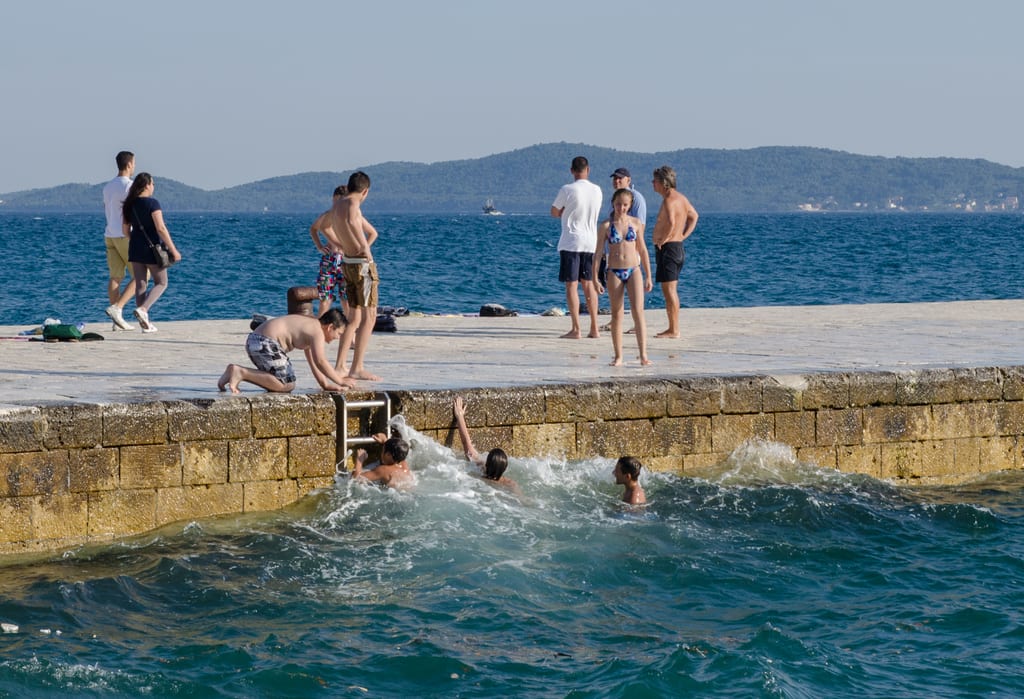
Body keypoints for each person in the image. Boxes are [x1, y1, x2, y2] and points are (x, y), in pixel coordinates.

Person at [325, 171, 381, 381]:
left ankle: (341, 365)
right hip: (361, 266)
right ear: (365, 191)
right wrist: (365, 248)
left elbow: (338, 225)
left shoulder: (337, 204)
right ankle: (356, 367)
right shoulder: (352, 205)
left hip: (348, 263)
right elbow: (352, 222)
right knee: (370, 317)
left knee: (354, 317)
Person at [217, 310, 355, 393]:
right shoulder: (317, 331)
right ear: (330, 327)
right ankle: (241, 372)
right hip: (265, 342)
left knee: (284, 383)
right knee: (286, 384)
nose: (338, 338)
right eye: (339, 333)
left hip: (256, 341)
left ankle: (232, 374)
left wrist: (325, 384)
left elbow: (313, 361)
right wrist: (340, 381)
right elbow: (321, 361)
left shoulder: (311, 326)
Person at [594, 189, 652, 366]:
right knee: (617, 314)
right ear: (613, 203)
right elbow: (598, 254)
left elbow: (642, 250)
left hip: (633, 270)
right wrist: (595, 278)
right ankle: (618, 356)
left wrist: (648, 275)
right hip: (614, 272)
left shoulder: (635, 224)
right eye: (619, 204)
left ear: (630, 205)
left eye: (625, 205)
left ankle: (643, 355)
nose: (622, 208)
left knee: (638, 312)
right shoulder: (605, 226)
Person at [121, 173, 182, 333]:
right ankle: (144, 309)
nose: (154, 187)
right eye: (153, 184)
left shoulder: (129, 204)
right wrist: (174, 250)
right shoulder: (152, 203)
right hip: (152, 248)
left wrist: (135, 240)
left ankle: (145, 323)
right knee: (162, 282)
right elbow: (160, 228)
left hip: (135, 248)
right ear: (147, 185)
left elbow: (125, 230)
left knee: (140, 284)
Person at [551, 156, 603, 339]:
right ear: (588, 170)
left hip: (572, 240)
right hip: (591, 241)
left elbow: (554, 211)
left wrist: (565, 212)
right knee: (588, 285)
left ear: (572, 170)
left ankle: (576, 328)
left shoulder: (567, 189)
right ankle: (595, 327)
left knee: (571, 285)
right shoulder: (597, 190)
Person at [650, 165, 699, 339]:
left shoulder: (669, 200)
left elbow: (671, 222)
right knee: (670, 290)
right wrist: (683, 235)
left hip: (669, 249)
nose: (652, 183)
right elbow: (694, 216)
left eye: (654, 181)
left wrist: (665, 238)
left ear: (663, 183)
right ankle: (672, 327)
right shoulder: (682, 199)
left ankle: (674, 329)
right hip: (676, 247)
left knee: (669, 291)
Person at [452, 396, 520, 494]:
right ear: (504, 468)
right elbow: (522, 500)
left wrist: (460, 416)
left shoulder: (479, 467)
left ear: (487, 463)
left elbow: (466, 442)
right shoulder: (510, 483)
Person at [102, 150, 137, 330]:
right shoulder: (130, 186)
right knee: (141, 275)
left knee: (116, 276)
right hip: (126, 235)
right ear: (129, 164)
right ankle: (118, 308)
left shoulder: (108, 187)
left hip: (110, 234)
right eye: (134, 163)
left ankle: (116, 320)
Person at [310, 185, 350, 318]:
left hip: (345, 260)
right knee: (325, 299)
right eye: (336, 200)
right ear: (333, 199)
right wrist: (319, 246)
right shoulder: (328, 215)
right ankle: (320, 328)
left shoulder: (350, 216)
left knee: (346, 299)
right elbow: (314, 229)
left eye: (342, 201)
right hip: (329, 260)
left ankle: (349, 329)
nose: (338, 204)